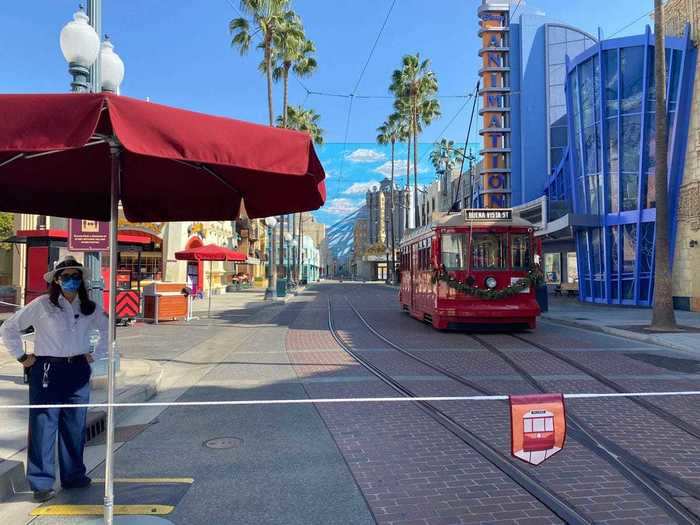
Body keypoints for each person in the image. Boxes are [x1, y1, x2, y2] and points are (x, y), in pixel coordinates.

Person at [0, 255, 107, 502]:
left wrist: (96, 354)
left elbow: (107, 328)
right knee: (43, 424)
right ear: (57, 280)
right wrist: (22, 357)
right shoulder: (41, 305)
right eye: (66, 276)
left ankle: (73, 476)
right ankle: (41, 483)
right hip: (48, 369)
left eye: (75, 276)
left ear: (81, 280)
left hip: (77, 369)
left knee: (75, 424)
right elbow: (8, 328)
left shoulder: (88, 307)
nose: (71, 280)